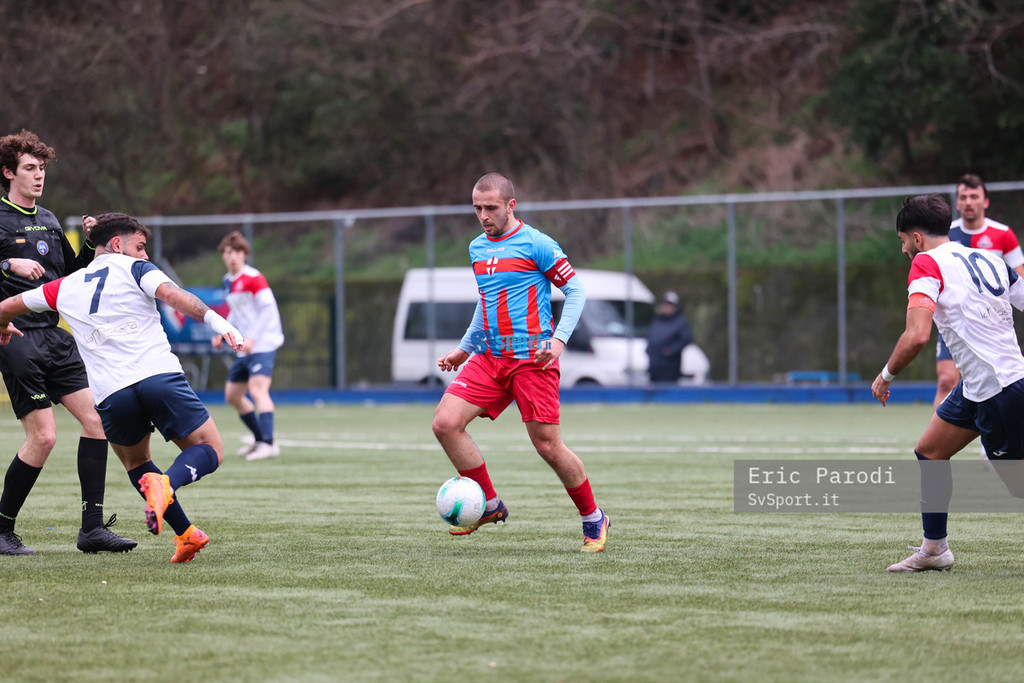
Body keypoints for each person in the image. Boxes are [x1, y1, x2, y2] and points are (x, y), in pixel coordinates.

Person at [0, 213, 245, 563]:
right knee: (210, 448)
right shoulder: (137, 269)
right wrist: (217, 321)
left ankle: (186, 534)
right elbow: (173, 295)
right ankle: (167, 483)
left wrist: (3, 325)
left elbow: (8, 305)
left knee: (137, 463)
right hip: (158, 376)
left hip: (111, 395)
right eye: (140, 246)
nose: (145, 254)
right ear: (117, 244)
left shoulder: (65, 286)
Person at [431, 172, 609, 553]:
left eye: (491, 207)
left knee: (547, 446)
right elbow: (487, 301)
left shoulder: (536, 244)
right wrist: (465, 347)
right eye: (477, 208)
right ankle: (489, 505)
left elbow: (575, 290)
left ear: (511, 205)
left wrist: (559, 340)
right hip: (490, 356)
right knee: (445, 423)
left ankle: (594, 517)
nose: (483, 216)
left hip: (532, 360)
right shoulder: (477, 248)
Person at [0, 130, 136, 555]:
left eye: (42, 168)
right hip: (15, 334)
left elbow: (69, 279)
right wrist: (6, 263)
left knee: (97, 422)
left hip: (56, 337)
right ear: (8, 173)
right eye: (30, 168)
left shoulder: (51, 220)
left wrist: (92, 245)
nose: (39, 175)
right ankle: (2, 529)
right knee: (43, 438)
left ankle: (92, 529)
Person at [872, 194, 1024, 572]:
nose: (903, 249)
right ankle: (935, 549)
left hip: (998, 390)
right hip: (978, 386)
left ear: (917, 238)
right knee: (930, 451)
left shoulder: (926, 262)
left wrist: (885, 376)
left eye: (903, 241)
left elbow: (916, 336)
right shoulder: (990, 259)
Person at [933, 173, 1024, 409]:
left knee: (997, 385)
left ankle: (989, 431)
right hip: (954, 322)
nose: (969, 202)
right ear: (957, 203)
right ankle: (944, 430)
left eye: (974, 196)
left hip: (991, 324)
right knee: (946, 381)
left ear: (985, 201)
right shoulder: (946, 236)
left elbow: (1019, 280)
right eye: (964, 197)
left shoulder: (1003, 234)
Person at [213, 230, 284, 461]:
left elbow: (268, 309)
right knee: (233, 395)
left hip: (263, 344)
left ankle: (269, 444)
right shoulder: (228, 281)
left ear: (244, 254)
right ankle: (259, 438)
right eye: (228, 252)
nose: (232, 256)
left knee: (257, 390)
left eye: (237, 252)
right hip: (246, 346)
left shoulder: (254, 278)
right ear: (223, 256)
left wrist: (253, 337)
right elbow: (236, 311)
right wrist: (224, 332)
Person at [646, 290, 693, 383]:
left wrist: (671, 350)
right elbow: (651, 336)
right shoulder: (656, 321)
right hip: (654, 366)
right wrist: (648, 349)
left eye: (669, 305)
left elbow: (686, 339)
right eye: (664, 305)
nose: (666, 308)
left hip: (670, 367)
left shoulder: (680, 323)